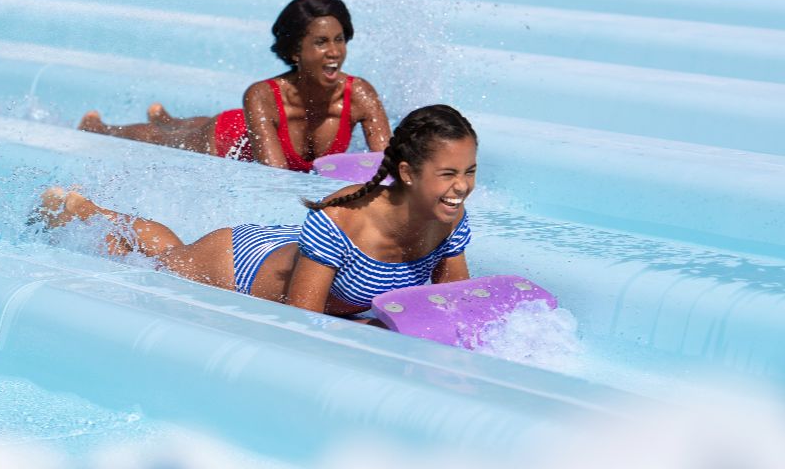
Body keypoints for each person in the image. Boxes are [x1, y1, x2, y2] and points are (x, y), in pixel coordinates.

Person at [36, 105, 476, 315]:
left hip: (292, 249)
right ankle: (79, 210)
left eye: (470, 172)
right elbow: (300, 317)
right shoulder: (342, 218)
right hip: (237, 266)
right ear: (407, 173)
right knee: (148, 261)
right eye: (448, 173)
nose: (461, 188)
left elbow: (455, 306)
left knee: (165, 251)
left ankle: (87, 208)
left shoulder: (448, 218)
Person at [77, 0, 391, 172]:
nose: (335, 52)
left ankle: (167, 117)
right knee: (166, 138)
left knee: (183, 124)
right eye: (321, 42)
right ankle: (102, 128)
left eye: (340, 40)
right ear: (296, 50)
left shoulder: (359, 95)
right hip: (226, 140)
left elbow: (388, 168)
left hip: (257, 127)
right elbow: (275, 180)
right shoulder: (262, 96)